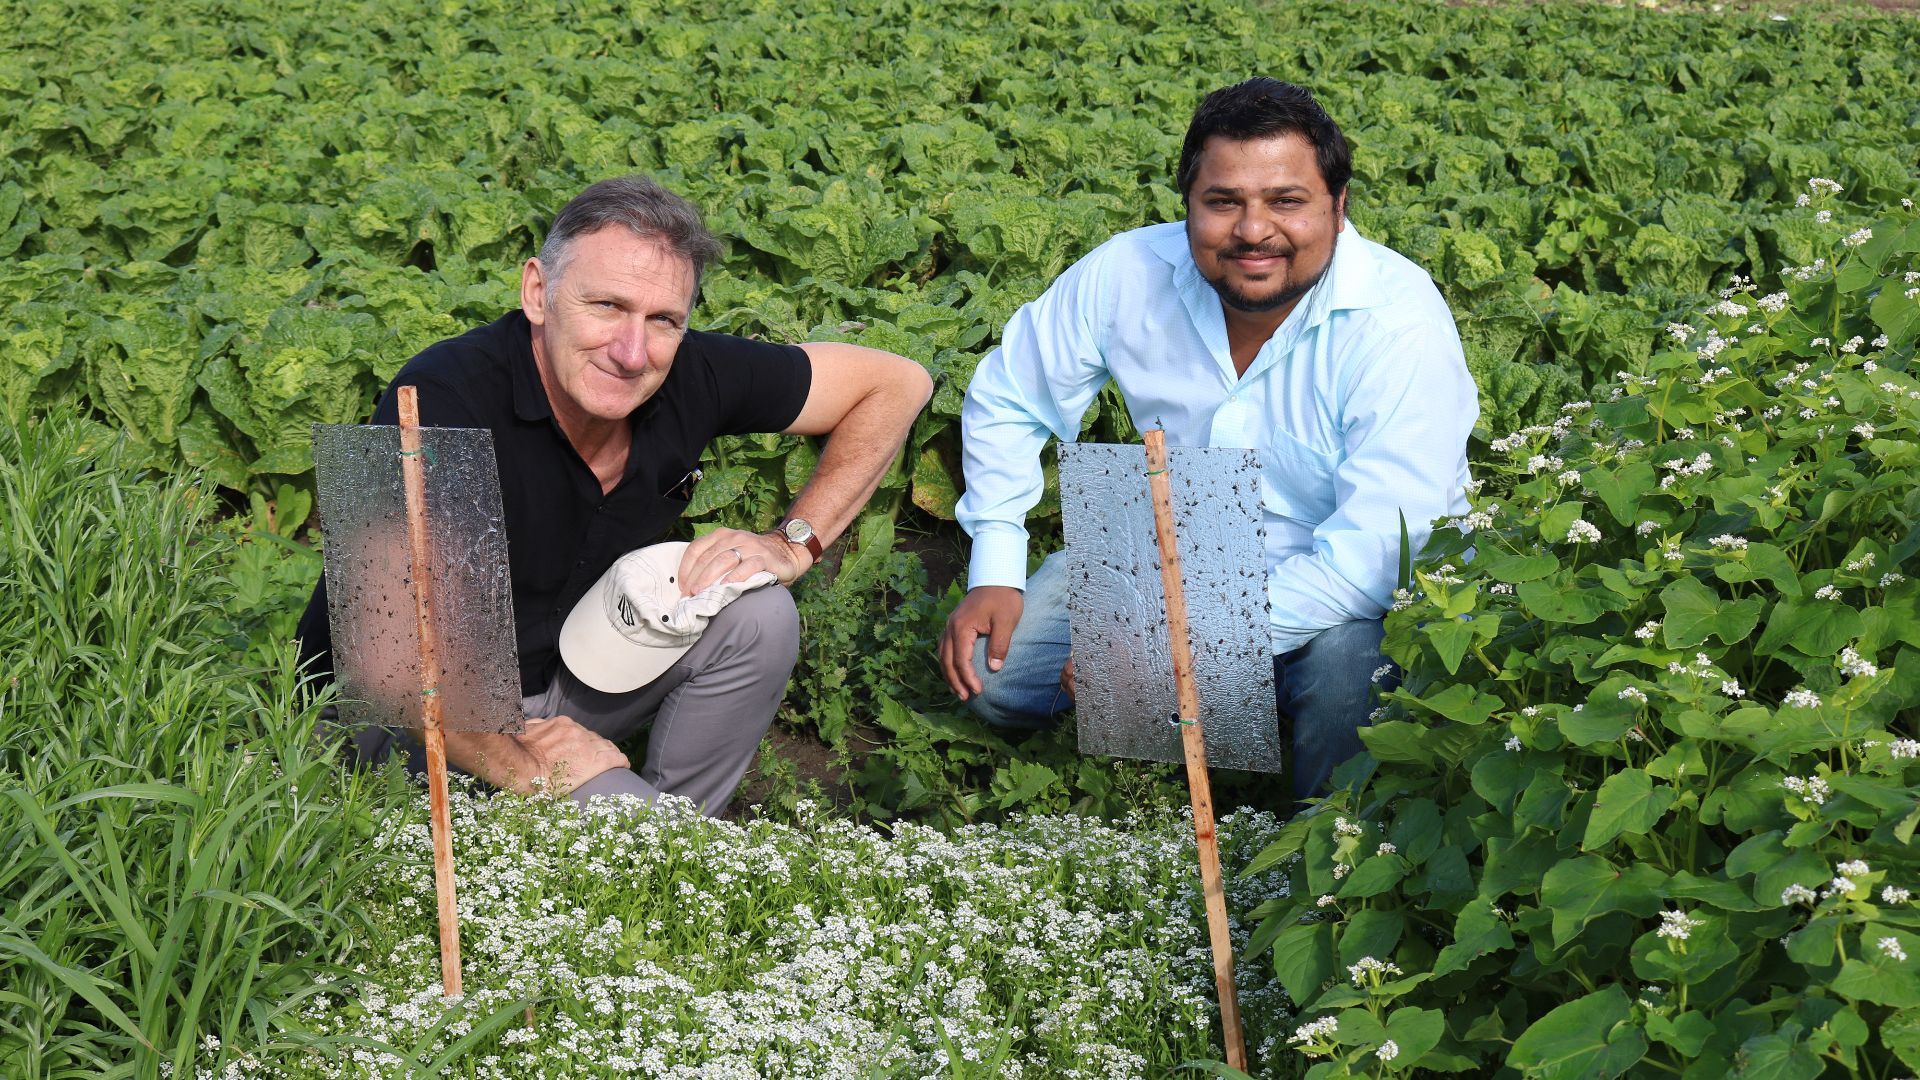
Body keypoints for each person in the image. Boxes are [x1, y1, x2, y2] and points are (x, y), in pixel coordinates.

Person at [298, 175, 932, 814]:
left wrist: (794, 544)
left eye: (664, 320)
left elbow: (896, 385)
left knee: (759, 616)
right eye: (607, 306)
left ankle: (658, 847)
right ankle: (634, 849)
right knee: (637, 838)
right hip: (403, 719)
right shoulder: (435, 397)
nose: (633, 352)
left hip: (572, 671)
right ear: (538, 292)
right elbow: (398, 670)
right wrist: (531, 770)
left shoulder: (688, 371)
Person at [936, 78, 1477, 803]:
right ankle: (1225, 714)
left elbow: (1373, 559)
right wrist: (996, 562)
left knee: (1355, 675)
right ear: (1188, 204)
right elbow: (1010, 393)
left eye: (1288, 201)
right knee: (994, 681)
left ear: (1339, 208)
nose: (1254, 231)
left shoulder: (1398, 325)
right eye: (1224, 202)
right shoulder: (1127, 274)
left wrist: (1180, 650)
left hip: (1346, 592)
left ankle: (1325, 851)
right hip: (1182, 548)